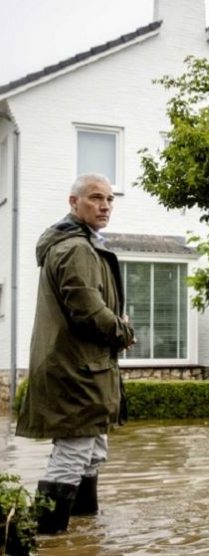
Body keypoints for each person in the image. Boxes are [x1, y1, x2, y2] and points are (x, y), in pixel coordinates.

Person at [15, 173, 134, 534]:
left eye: (110, 199)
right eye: (96, 198)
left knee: (92, 452)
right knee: (73, 454)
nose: (105, 205)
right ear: (74, 202)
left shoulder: (80, 244)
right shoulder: (75, 248)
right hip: (76, 371)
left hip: (87, 368)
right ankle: (46, 538)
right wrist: (123, 330)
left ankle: (82, 536)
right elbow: (88, 311)